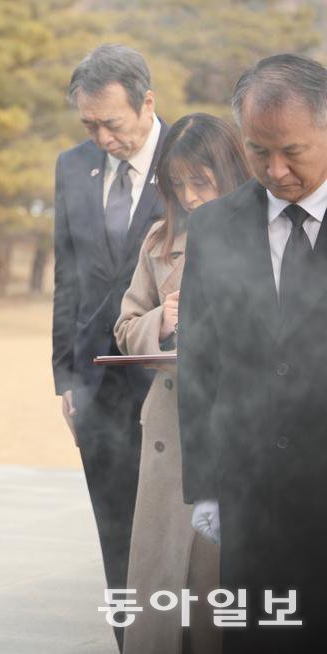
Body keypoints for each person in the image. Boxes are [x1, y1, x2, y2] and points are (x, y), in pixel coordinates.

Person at [180, 54, 327, 651]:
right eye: (258, 151)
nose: (275, 169)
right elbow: (199, 360)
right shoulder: (215, 227)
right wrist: (207, 485)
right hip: (251, 490)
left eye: (292, 150)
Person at [114, 113, 248, 654]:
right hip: (169, 424)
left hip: (234, 423)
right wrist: (162, 323)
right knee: (158, 582)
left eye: (203, 181)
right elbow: (126, 327)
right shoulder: (158, 239)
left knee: (223, 585)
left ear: (230, 173)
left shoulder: (264, 232)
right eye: (179, 184)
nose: (191, 197)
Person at [52, 45, 169, 647]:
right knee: (116, 533)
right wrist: (64, 378)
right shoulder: (72, 166)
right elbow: (67, 277)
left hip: (172, 385)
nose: (100, 137)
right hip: (96, 388)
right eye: (88, 125)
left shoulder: (189, 162)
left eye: (112, 124)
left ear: (148, 102)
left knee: (177, 537)